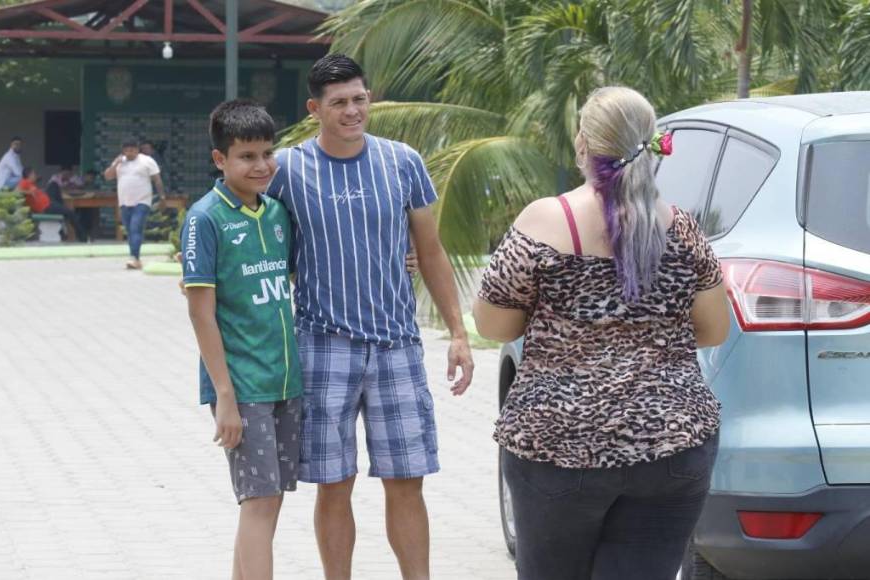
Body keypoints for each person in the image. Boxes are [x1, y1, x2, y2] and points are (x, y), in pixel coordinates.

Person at [472, 86, 731, 580]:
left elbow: (493, 323)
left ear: (583, 144)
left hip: (560, 447)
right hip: (672, 446)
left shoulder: (545, 221)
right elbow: (713, 329)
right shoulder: (681, 228)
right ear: (653, 144)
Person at [264, 54, 474, 580]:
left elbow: (431, 253)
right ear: (316, 108)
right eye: (338, 103)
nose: (352, 110)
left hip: (397, 345)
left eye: (359, 99)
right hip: (321, 344)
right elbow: (259, 243)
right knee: (334, 483)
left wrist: (457, 332)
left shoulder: (403, 161)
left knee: (408, 480)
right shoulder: (287, 168)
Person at [179, 100, 302, 580]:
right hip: (242, 386)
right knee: (259, 501)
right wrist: (224, 397)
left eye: (267, 153)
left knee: (266, 505)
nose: (262, 165)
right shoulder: (205, 218)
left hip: (286, 381)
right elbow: (199, 311)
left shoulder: (276, 213)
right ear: (220, 160)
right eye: (247, 156)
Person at [104, 137, 165, 269]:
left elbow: (157, 180)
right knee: (130, 231)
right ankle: (135, 258)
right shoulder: (120, 161)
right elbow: (108, 176)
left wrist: (162, 197)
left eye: (132, 150)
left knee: (135, 227)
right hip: (125, 202)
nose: (129, 153)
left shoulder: (147, 161)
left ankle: (134, 257)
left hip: (142, 201)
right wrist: (116, 164)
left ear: (137, 150)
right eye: (126, 150)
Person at [17, 167, 87, 241]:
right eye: (34, 173)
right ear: (29, 175)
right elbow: (17, 191)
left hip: (49, 201)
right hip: (46, 207)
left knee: (54, 184)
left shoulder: (31, 183)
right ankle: (83, 238)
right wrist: (29, 192)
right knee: (70, 213)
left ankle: (62, 209)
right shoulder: (24, 182)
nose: (35, 175)